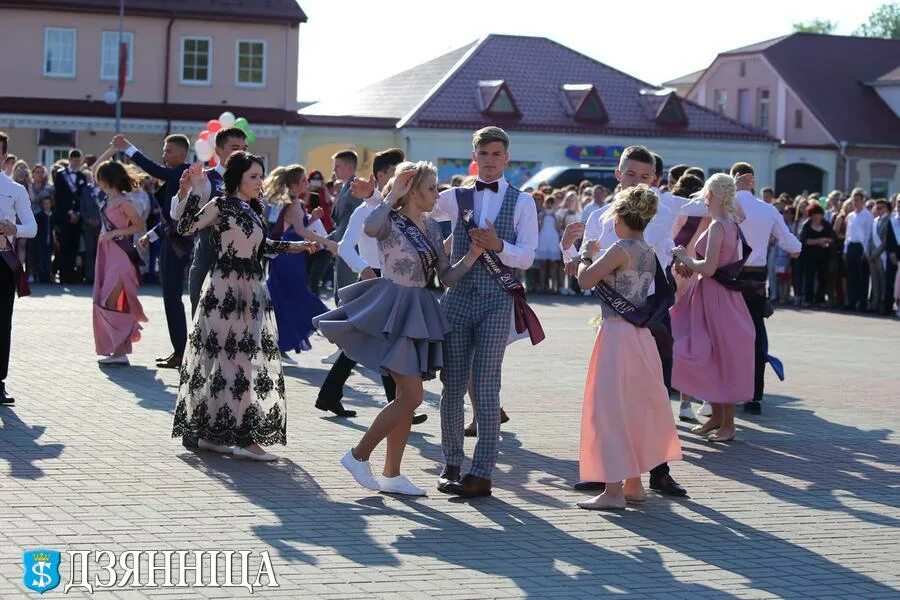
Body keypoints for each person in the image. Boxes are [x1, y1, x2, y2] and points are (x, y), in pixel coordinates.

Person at [315, 162, 483, 495]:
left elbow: (445, 277)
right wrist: (392, 196)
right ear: (413, 189)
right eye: (432, 188)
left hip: (419, 307)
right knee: (413, 396)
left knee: (408, 397)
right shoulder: (388, 217)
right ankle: (358, 454)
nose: (438, 194)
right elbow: (373, 228)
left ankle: (391, 474)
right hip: (393, 306)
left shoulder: (433, 227)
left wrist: (474, 254)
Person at [170, 153, 316, 461]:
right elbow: (184, 227)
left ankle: (213, 435)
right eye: (253, 176)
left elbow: (262, 248)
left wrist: (296, 246)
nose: (259, 182)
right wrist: (196, 190)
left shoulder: (253, 210)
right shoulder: (219, 205)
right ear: (237, 178)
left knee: (238, 362)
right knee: (232, 362)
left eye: (260, 176)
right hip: (224, 290)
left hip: (251, 289)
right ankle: (244, 440)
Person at [560, 145, 687, 497]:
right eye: (630, 174)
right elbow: (580, 265)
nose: (637, 181)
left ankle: (656, 471)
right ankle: (611, 471)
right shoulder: (599, 215)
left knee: (650, 395)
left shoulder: (660, 211)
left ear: (656, 179)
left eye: (645, 177)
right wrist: (570, 253)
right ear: (618, 174)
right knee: (616, 396)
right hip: (614, 311)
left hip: (652, 307)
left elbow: (664, 257)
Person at [432, 126, 540, 499]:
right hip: (458, 297)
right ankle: (450, 463)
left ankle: (481, 473)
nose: (490, 161)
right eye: (484, 154)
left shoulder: (523, 202)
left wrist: (499, 245)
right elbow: (418, 207)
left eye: (497, 154)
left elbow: (528, 255)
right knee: (452, 385)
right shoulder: (455, 197)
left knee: (487, 385)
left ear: (507, 158)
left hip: (497, 300)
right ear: (474, 157)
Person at [316, 148, 422, 421]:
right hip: (375, 279)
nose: (403, 180)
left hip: (394, 279)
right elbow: (344, 247)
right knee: (386, 341)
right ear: (381, 175)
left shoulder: (402, 211)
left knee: (365, 342)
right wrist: (364, 270)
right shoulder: (364, 212)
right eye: (397, 174)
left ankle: (330, 395)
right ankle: (398, 406)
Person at [670, 174, 754, 442]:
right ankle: (717, 416)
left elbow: (708, 268)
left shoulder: (720, 225)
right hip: (713, 294)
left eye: (707, 193)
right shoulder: (729, 223)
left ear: (715, 195)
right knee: (706, 352)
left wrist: (684, 257)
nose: (704, 199)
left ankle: (728, 424)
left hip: (716, 296)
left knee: (719, 355)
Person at [729, 163, 801, 415]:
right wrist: (796, 247)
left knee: (724, 332)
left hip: (727, 275)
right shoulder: (767, 209)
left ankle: (723, 392)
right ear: (753, 180)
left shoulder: (724, 206)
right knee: (756, 333)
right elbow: (791, 244)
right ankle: (755, 396)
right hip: (756, 278)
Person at [117, 133, 192, 370]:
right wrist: (151, 236)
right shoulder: (175, 177)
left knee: (173, 299)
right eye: (164, 150)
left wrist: (128, 148)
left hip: (178, 247)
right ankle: (180, 350)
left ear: (182, 155)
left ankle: (182, 352)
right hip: (169, 242)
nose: (164, 154)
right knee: (171, 299)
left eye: (169, 151)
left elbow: (153, 169)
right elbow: (171, 217)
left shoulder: (183, 172)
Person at [264, 164, 333, 359]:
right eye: (303, 180)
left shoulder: (293, 202)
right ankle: (329, 322)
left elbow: (296, 227)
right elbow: (301, 232)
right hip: (289, 255)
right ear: (294, 185)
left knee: (282, 296)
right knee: (297, 295)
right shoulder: (294, 203)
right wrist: (328, 243)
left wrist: (312, 220)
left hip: (289, 253)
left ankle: (278, 341)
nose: (307, 183)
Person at [186, 127, 249, 316]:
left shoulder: (251, 181)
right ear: (219, 150)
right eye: (235, 147)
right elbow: (187, 220)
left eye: (244, 148)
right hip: (208, 256)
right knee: (202, 321)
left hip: (240, 263)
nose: (241, 153)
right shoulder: (205, 179)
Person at [90, 160, 147, 366]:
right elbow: (94, 167)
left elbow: (138, 225)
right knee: (107, 301)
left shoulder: (124, 201)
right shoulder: (108, 198)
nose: (97, 182)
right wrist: (112, 151)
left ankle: (119, 349)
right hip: (107, 254)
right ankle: (119, 351)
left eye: (100, 179)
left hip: (121, 256)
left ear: (107, 180)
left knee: (110, 302)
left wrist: (115, 233)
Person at [0, 132, 37, 405]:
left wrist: (15, 229)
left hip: (2, 261)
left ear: (4, 157)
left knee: (2, 322)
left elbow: (32, 228)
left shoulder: (15, 189)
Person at [327, 150, 362, 303]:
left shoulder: (355, 188)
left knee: (344, 295)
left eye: (337, 166)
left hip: (350, 247)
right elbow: (342, 222)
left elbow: (357, 220)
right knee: (341, 292)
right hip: (342, 245)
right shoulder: (345, 187)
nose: (334, 170)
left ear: (349, 167)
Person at [53, 149, 87, 284]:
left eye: (79, 161)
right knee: (64, 247)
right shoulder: (61, 175)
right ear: (70, 160)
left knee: (74, 246)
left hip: (77, 218)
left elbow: (82, 198)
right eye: (75, 160)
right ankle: (63, 275)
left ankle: (71, 276)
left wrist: (78, 213)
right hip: (64, 216)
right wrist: (69, 212)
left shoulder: (82, 177)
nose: (77, 163)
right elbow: (59, 197)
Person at [799, 203, 835, 307]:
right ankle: (807, 299)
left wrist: (825, 241)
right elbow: (804, 240)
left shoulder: (826, 225)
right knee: (809, 277)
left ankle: (820, 299)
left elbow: (832, 238)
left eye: (818, 214)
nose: (816, 217)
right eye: (814, 214)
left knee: (822, 277)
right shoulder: (806, 225)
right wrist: (819, 241)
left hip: (823, 255)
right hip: (809, 255)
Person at [844, 188, 873, 312]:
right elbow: (848, 234)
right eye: (853, 200)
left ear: (863, 200)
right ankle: (851, 301)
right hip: (851, 246)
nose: (855, 202)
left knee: (862, 277)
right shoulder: (851, 215)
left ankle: (862, 303)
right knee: (851, 276)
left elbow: (868, 234)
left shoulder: (867, 215)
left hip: (861, 247)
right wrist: (846, 249)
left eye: (857, 200)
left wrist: (865, 251)